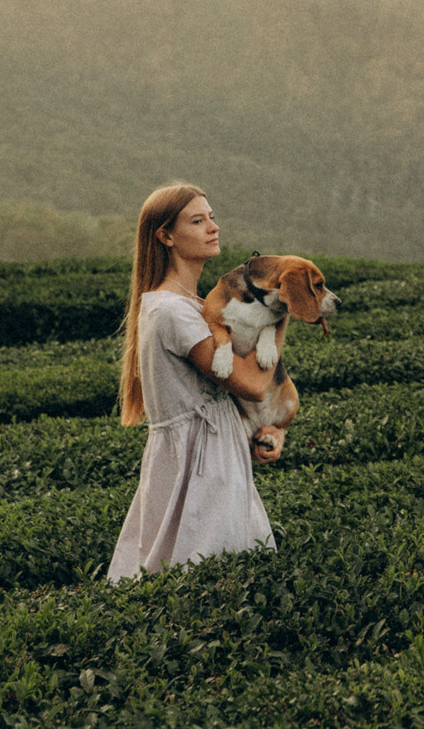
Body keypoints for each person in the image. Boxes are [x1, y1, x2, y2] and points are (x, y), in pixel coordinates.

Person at [107, 183, 279, 581]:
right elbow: (252, 384)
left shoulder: (194, 306)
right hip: (200, 464)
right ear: (166, 236)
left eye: (212, 218)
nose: (212, 227)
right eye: (197, 221)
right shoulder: (173, 311)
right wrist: (281, 312)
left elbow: (232, 395)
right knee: (204, 575)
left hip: (212, 452)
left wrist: (269, 429)